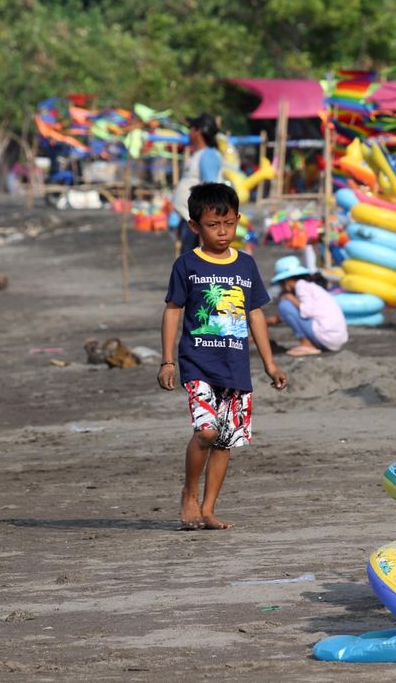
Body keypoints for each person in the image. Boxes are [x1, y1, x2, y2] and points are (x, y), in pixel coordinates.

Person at [158, 183, 288, 530]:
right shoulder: (187, 265)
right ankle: (189, 493)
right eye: (214, 225)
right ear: (195, 226)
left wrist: (269, 363)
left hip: (236, 367)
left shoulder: (245, 265)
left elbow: (255, 314)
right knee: (205, 430)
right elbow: (173, 310)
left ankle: (208, 508)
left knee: (225, 439)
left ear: (238, 221)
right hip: (198, 363)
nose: (222, 232)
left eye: (229, 224)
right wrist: (167, 360)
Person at [266, 255, 348, 356]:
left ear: (287, 281)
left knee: (285, 305)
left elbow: (307, 311)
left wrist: (290, 297)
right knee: (287, 306)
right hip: (335, 339)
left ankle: (306, 344)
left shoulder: (301, 286)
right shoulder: (310, 287)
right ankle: (309, 343)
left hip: (327, 336)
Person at [173, 113, 224, 254]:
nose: (189, 132)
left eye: (191, 128)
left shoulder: (208, 155)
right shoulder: (199, 154)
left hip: (199, 223)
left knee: (194, 266)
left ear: (198, 131)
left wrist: (206, 230)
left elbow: (210, 191)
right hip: (191, 220)